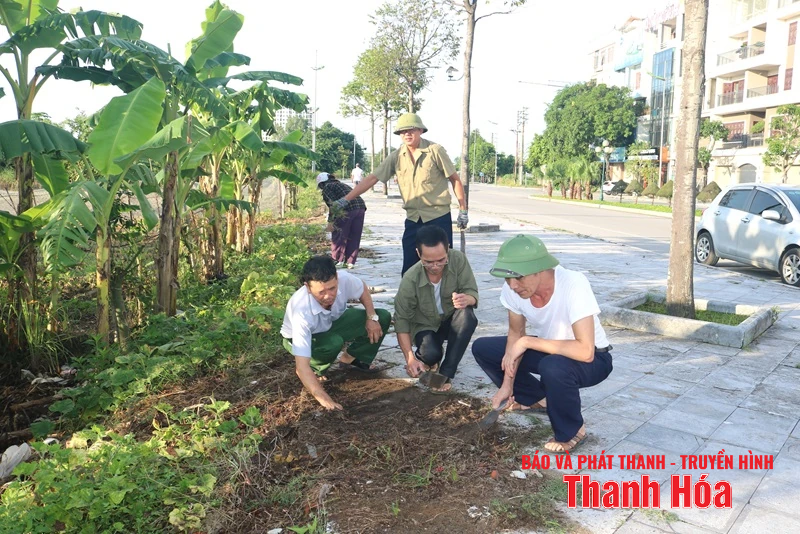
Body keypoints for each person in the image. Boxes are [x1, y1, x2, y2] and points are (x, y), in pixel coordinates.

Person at [471, 235, 613, 453]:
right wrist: (507, 385)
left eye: (518, 277)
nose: (513, 285)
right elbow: (515, 334)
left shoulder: (573, 283)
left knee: (553, 366)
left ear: (539, 268)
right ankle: (538, 399)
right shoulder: (513, 289)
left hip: (594, 358)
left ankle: (572, 431)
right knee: (484, 348)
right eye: (508, 278)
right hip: (552, 352)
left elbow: (585, 351)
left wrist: (527, 341)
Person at [334, 113, 468, 275]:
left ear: (420, 130)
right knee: (409, 270)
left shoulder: (435, 151)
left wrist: (463, 210)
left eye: (411, 130)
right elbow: (372, 178)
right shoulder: (396, 156)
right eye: (403, 131)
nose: (407, 134)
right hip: (413, 219)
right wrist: (345, 199)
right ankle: (412, 292)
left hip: (438, 217)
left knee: (440, 266)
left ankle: (443, 292)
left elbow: (455, 180)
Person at [281, 256, 392, 410]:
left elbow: (362, 289)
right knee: (333, 343)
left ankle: (351, 358)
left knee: (382, 317)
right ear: (307, 287)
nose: (328, 296)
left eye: (332, 288)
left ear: (337, 278)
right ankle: (317, 370)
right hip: (302, 338)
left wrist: (371, 317)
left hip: (332, 322)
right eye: (321, 292)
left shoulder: (344, 279)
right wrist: (324, 399)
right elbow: (301, 367)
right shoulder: (301, 311)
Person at [394, 226, 479, 393]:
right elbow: (402, 320)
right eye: (428, 262)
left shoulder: (458, 259)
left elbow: (472, 292)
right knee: (430, 354)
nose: (435, 266)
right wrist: (409, 358)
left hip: (451, 321)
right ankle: (430, 359)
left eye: (441, 260)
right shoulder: (410, 278)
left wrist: (467, 299)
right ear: (418, 254)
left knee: (467, 316)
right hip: (424, 325)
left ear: (447, 250)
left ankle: (446, 373)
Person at [317, 172, 367, 268]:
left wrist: (330, 222)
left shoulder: (327, 187)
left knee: (339, 234)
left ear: (322, 183)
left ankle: (336, 259)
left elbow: (333, 206)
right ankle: (350, 262)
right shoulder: (341, 184)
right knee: (354, 235)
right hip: (360, 207)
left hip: (347, 209)